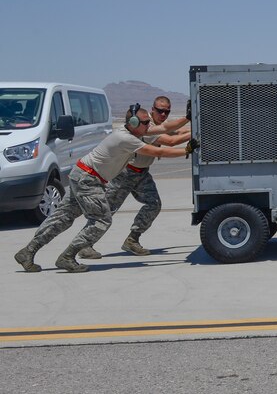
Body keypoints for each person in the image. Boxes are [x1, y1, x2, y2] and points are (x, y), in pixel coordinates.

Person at [14, 105, 195, 273]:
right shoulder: (126, 139)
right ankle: (67, 257)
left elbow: (164, 129)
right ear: (133, 123)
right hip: (88, 179)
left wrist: (187, 118)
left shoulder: (133, 131)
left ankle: (27, 252)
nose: (150, 125)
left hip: (82, 175)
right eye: (146, 122)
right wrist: (187, 150)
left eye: (149, 122)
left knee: (63, 217)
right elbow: (159, 152)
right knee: (101, 220)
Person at [79, 96, 191, 260]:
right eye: (160, 111)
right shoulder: (145, 126)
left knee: (154, 204)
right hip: (125, 173)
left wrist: (196, 126)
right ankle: (84, 245)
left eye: (167, 111)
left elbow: (177, 131)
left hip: (141, 173)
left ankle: (133, 239)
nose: (163, 114)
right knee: (106, 211)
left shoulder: (158, 125)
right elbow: (172, 141)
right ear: (152, 109)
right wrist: (195, 134)